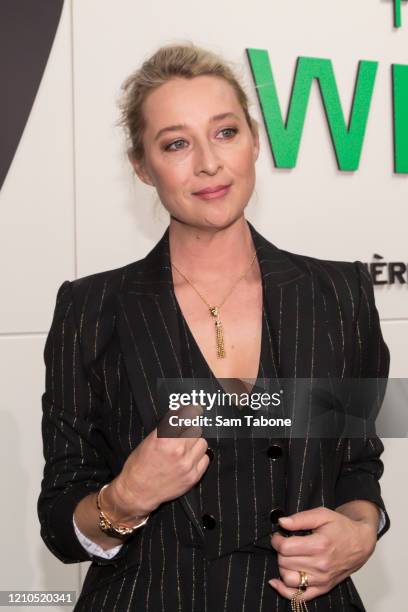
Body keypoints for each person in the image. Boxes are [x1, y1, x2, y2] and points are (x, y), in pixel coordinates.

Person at [38, 42, 390, 612]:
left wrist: (360, 530)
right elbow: (60, 524)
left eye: (225, 132)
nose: (208, 162)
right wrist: (125, 498)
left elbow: (357, 463)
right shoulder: (91, 307)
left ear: (254, 139)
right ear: (142, 167)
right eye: (176, 143)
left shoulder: (339, 294)